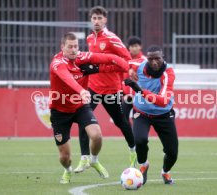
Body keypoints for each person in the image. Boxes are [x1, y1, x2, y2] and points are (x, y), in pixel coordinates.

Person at [49, 32, 130, 184]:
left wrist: (126, 66)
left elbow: (105, 58)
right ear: (62, 47)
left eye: (76, 46)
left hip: (80, 106)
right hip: (60, 111)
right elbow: (67, 78)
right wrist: (81, 90)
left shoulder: (82, 57)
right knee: (65, 157)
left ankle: (93, 160)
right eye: (70, 47)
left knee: (97, 135)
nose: (74, 50)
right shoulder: (57, 63)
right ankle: (67, 171)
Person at [75, 6, 137, 173]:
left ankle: (133, 150)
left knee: (121, 122)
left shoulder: (112, 38)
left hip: (111, 90)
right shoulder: (89, 39)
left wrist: (100, 69)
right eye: (94, 18)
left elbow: (126, 61)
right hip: (93, 88)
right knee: (83, 120)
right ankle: (85, 159)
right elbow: (94, 60)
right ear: (90, 20)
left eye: (99, 18)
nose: (96, 21)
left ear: (105, 20)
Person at [124, 45, 178, 185]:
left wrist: (140, 91)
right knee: (140, 140)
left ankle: (165, 172)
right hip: (141, 113)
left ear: (163, 58)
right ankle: (143, 164)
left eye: (157, 59)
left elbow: (163, 101)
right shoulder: (139, 65)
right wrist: (128, 71)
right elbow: (121, 63)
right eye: (151, 59)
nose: (154, 62)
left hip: (163, 114)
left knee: (172, 152)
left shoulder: (168, 74)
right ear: (146, 59)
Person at [122, 36, 147, 122]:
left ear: (140, 47)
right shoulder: (124, 60)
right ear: (128, 47)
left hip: (138, 96)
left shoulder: (145, 61)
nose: (134, 48)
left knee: (137, 119)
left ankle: (136, 135)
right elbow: (122, 79)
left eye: (136, 46)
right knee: (122, 120)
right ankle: (130, 135)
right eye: (132, 46)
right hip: (127, 96)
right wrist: (123, 94)